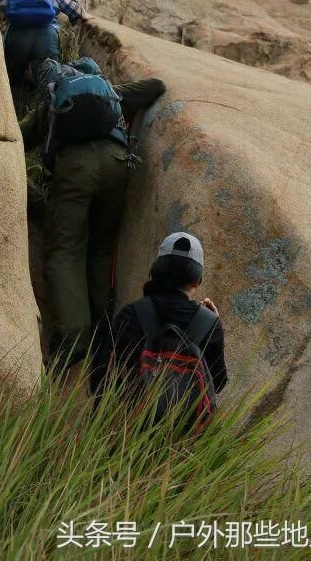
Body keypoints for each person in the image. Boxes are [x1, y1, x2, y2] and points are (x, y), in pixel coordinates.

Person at [19, 57, 166, 374]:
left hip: (75, 170)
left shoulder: (53, 98)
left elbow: (17, 139)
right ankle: (104, 322)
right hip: (117, 164)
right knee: (101, 246)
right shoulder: (108, 92)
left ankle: (75, 338)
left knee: (66, 250)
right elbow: (157, 86)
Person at [106, 233, 228, 418]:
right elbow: (217, 382)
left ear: (155, 271)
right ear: (197, 281)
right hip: (188, 439)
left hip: (130, 430)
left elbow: (102, 373)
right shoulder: (208, 322)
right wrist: (213, 323)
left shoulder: (130, 314)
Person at [0, 0, 88, 109]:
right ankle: (42, 119)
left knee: (13, 81)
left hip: (18, 36)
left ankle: (15, 116)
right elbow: (76, 10)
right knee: (48, 84)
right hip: (46, 35)